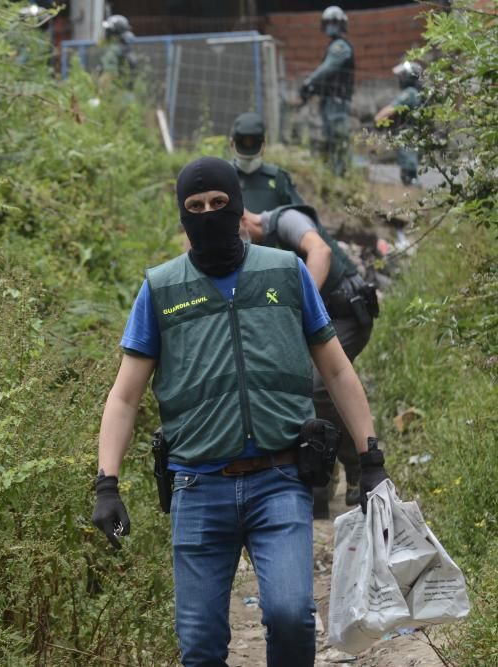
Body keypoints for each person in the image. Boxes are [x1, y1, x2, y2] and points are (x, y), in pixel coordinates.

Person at [90, 157, 390, 666]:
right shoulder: (161, 289)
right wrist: (106, 484)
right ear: (182, 217)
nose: (207, 214)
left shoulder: (285, 272)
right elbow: (124, 396)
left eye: (218, 204)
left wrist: (371, 458)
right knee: (201, 644)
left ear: (238, 207)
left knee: (292, 615)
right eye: (195, 207)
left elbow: (337, 372)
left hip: (280, 478)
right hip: (197, 486)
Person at [232, 111, 374, 516]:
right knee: (304, 388)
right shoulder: (250, 252)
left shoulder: (284, 218)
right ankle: (320, 482)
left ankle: (350, 467)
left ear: (246, 221)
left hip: (347, 310)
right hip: (324, 312)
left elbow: (321, 251)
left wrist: (296, 303)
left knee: (317, 387)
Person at [300, 6, 354, 176]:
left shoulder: (340, 47)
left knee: (339, 138)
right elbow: (327, 74)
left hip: (337, 101)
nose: (331, 26)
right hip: (330, 100)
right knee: (330, 138)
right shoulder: (333, 46)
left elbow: (328, 68)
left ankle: (343, 173)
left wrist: (309, 81)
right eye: (328, 22)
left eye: (334, 22)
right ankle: (334, 173)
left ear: (342, 24)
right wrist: (313, 87)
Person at [375, 61, 424, 186]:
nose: (400, 79)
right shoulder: (416, 92)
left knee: (409, 173)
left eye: (402, 75)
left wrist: (378, 119)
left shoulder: (409, 93)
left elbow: (390, 110)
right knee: (407, 170)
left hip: (407, 135)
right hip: (411, 134)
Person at [98, 14, 137, 81]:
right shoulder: (126, 48)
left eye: (108, 30)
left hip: (114, 89)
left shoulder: (114, 50)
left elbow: (109, 74)